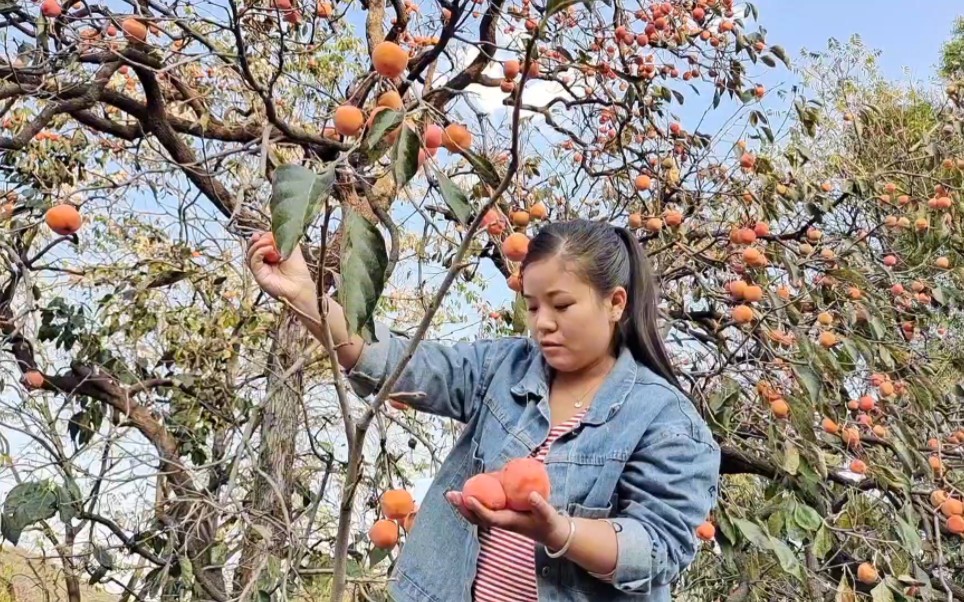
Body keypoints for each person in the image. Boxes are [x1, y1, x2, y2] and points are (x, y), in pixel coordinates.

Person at [246, 218, 721, 602]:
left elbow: (659, 548)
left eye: (561, 305)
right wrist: (303, 297)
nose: (543, 324)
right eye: (533, 307)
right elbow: (399, 364)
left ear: (615, 302)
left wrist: (561, 531)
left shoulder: (666, 420)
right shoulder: (506, 367)